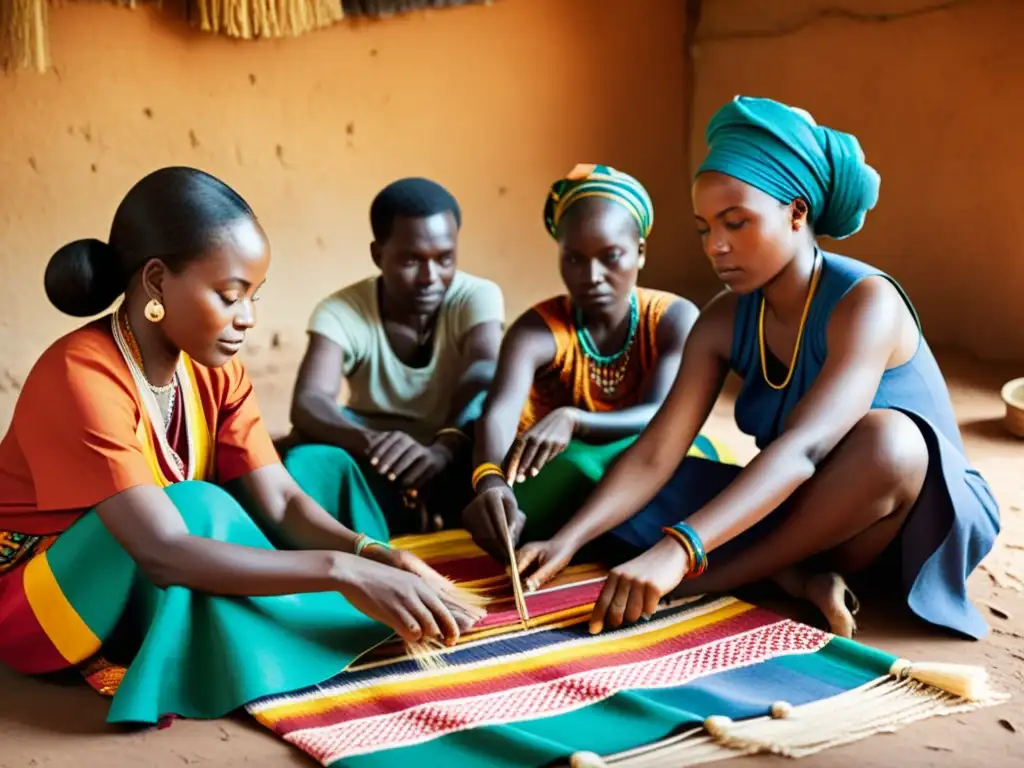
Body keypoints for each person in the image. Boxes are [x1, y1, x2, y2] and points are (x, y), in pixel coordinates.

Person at [0, 167, 477, 724]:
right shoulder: (79, 373)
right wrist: (341, 572)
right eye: (230, 296)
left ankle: (267, 622)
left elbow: (281, 501)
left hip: (151, 556)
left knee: (317, 467)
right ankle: (260, 638)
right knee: (198, 505)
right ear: (156, 282)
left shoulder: (214, 370)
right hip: (41, 598)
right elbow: (163, 549)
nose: (247, 319)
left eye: (254, 295)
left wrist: (373, 553)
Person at [515, 98, 999, 641]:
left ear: (797, 213)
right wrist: (570, 541)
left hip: (898, 527)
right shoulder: (723, 319)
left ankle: (720, 578)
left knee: (891, 443)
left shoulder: (867, 301)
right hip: (799, 510)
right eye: (704, 228)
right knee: (607, 476)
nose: (716, 247)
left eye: (736, 222)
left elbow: (806, 449)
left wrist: (680, 551)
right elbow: (656, 452)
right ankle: (796, 576)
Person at [462, 164, 732, 562]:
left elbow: (663, 414)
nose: (592, 276)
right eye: (574, 259)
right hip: (561, 475)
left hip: (645, 462)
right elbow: (498, 413)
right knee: (580, 470)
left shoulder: (673, 319)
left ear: (640, 252)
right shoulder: (537, 330)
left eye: (611, 257)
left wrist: (576, 420)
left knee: (698, 458)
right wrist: (490, 481)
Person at [289, 178, 504, 535]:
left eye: (444, 259)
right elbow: (309, 401)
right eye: (410, 260)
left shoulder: (477, 296)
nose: (429, 277)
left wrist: (443, 448)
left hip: (455, 445)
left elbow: (483, 374)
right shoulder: (341, 311)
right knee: (304, 460)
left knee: (497, 439)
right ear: (378, 255)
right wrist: (374, 444)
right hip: (375, 456)